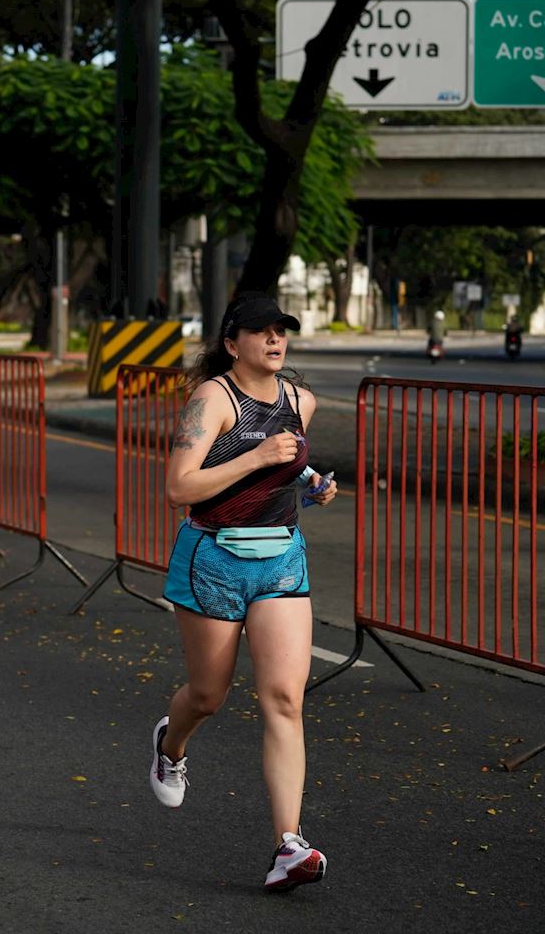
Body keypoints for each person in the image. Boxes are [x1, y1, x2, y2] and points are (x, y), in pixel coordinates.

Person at [152, 295, 338, 893]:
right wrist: (258, 454)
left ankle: (289, 843)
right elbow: (180, 486)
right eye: (261, 332)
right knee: (208, 695)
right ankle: (170, 741)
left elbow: (282, 471)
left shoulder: (299, 400)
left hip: (281, 559)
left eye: (282, 331)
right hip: (214, 556)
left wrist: (311, 485)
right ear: (234, 344)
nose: (275, 341)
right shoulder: (212, 399)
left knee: (285, 698)